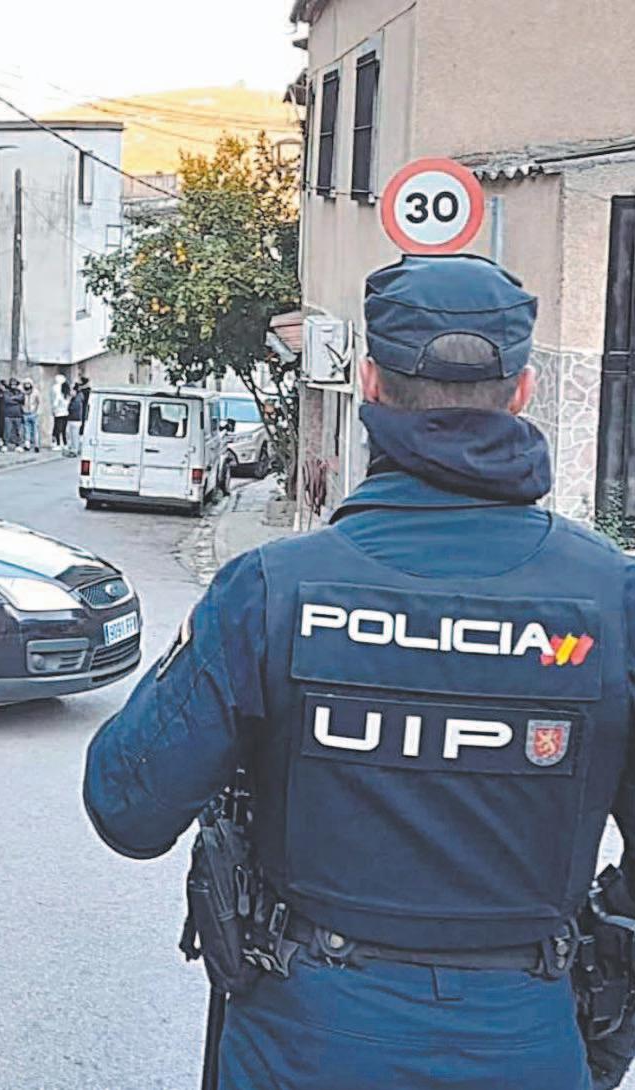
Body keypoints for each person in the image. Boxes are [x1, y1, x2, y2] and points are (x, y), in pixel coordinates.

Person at [83, 254, 625, 1090]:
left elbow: (127, 808)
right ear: (521, 392)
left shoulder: (271, 589)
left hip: (304, 1041)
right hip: (523, 1036)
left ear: (368, 384)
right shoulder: (613, 599)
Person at [66, 377, 90, 458]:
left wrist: (68, 408)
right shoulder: (81, 396)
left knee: (74, 436)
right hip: (78, 418)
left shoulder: (77, 398)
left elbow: (73, 408)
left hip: (75, 418)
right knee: (75, 435)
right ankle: (76, 449)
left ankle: (74, 450)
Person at [0, 380, 22, 451]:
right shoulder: (6, 392)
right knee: (7, 431)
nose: (13, 386)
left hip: (18, 414)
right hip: (8, 415)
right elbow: (7, 400)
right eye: (12, 384)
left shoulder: (19, 392)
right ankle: (5, 445)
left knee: (18, 431)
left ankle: (18, 445)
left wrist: (13, 398)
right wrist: (16, 400)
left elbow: (21, 398)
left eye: (14, 384)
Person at [20, 378, 42, 452]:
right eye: (26, 384)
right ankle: (27, 445)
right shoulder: (23, 392)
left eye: (28, 383)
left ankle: (36, 445)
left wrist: (37, 411)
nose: (27, 385)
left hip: (33, 413)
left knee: (35, 430)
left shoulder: (35, 392)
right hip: (25, 413)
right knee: (27, 430)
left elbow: (39, 402)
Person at [51, 375, 71, 448]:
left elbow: (55, 404)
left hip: (58, 413)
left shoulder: (58, 394)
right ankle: (65, 444)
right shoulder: (67, 396)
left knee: (57, 429)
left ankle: (58, 444)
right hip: (65, 413)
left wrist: (54, 409)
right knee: (64, 430)